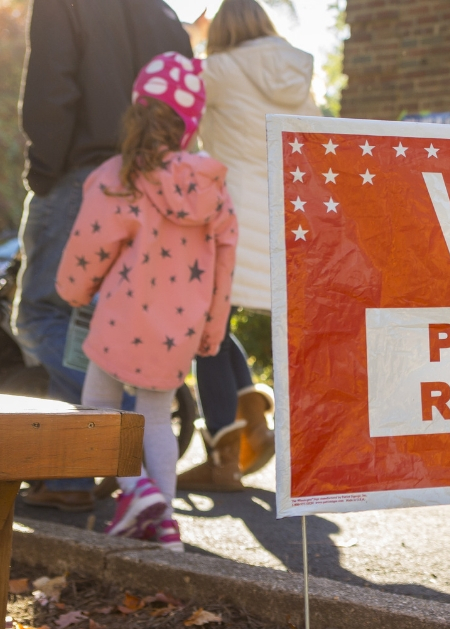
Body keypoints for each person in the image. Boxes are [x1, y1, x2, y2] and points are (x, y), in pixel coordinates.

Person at [14, 0, 193, 512]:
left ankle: (124, 439)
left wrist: (43, 173)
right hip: (152, 180)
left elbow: (51, 89)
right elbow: (183, 99)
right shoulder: (161, 12)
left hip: (81, 173)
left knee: (41, 315)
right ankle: (71, 476)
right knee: (93, 323)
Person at [55, 52, 238, 550]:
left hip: (119, 318)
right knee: (156, 417)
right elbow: (224, 265)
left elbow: (89, 246)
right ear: (189, 124)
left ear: (137, 111)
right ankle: (165, 529)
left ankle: (137, 492)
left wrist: (72, 291)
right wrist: (212, 330)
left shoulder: (118, 176)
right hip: (178, 328)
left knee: (97, 408)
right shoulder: (213, 188)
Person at [179, 0, 320, 492]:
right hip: (288, 219)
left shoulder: (216, 69)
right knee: (213, 326)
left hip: (230, 220)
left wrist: (193, 38)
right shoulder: (298, 74)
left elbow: (175, 106)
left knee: (205, 330)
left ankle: (224, 457)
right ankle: (253, 421)